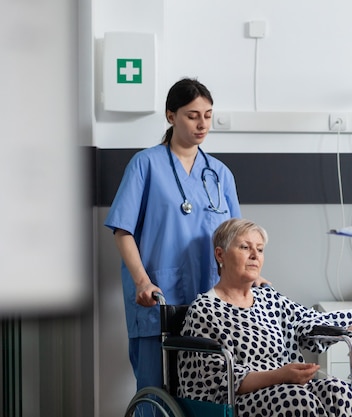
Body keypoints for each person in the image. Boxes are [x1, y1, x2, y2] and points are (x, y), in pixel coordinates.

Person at [177, 218, 352, 417]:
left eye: (259, 249)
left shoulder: (269, 299)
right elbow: (219, 380)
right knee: (295, 397)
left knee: (339, 391)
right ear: (220, 254)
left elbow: (315, 324)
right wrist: (280, 376)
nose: (254, 255)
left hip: (287, 389)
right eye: (245, 247)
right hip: (236, 401)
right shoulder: (205, 310)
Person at [104, 78, 243, 394]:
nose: (202, 123)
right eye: (193, 115)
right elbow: (123, 230)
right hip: (157, 298)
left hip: (211, 303)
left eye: (208, 115)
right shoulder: (145, 164)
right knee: (155, 389)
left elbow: (237, 238)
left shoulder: (220, 174)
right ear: (171, 116)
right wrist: (141, 281)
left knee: (209, 391)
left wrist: (251, 276)